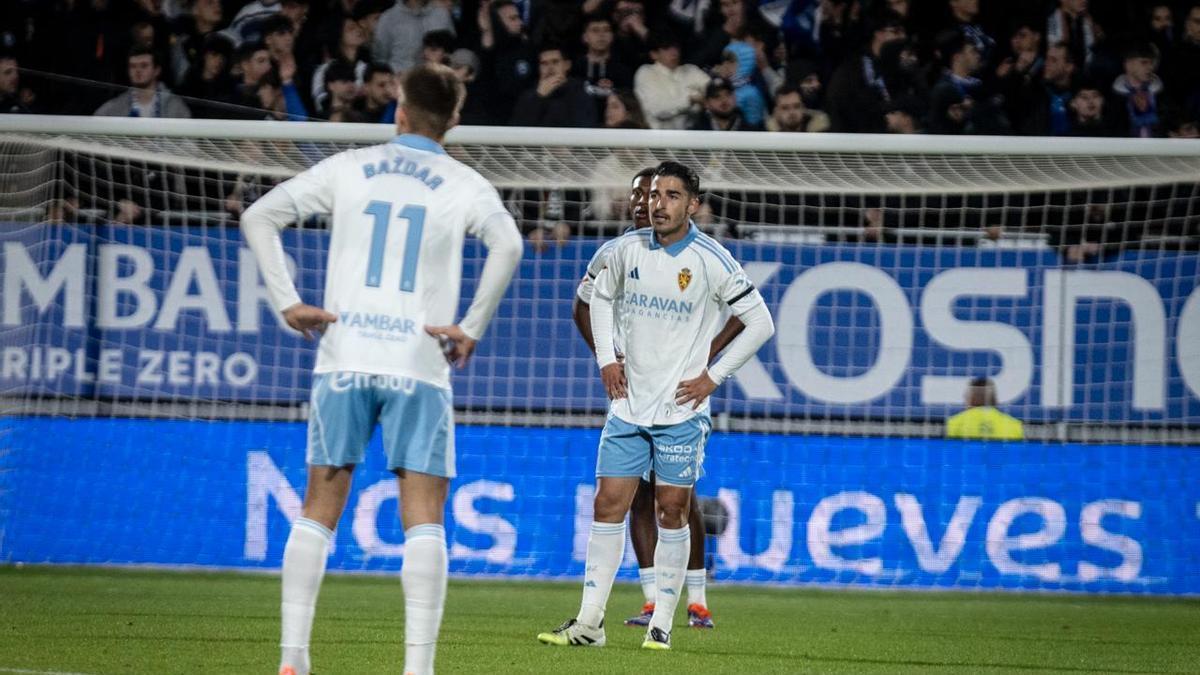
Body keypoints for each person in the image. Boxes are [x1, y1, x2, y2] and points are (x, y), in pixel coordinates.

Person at [240, 63, 523, 675]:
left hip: (344, 357)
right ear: (454, 119)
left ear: (399, 109)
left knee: (319, 505)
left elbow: (257, 216)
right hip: (418, 363)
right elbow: (509, 245)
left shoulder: (348, 166)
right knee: (423, 518)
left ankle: (293, 659)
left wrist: (287, 300)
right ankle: (417, 669)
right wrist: (471, 326)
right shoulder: (465, 182)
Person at [538, 161, 774, 651]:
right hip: (628, 406)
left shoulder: (712, 259)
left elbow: (761, 322)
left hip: (680, 412)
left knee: (672, 510)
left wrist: (713, 377)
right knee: (608, 504)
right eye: (654, 195)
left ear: (693, 205)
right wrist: (607, 360)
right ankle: (589, 622)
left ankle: (662, 622)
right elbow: (598, 300)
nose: (657, 203)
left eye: (671, 195)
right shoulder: (625, 249)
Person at [572, 168, 746, 630]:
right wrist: (608, 357)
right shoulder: (616, 253)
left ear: (688, 203)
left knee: (679, 501)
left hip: (679, 395)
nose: (644, 202)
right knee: (633, 497)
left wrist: (709, 356)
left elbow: (749, 315)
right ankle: (651, 599)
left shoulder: (702, 257)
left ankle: (696, 600)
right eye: (641, 195)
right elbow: (585, 305)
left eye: (659, 194)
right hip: (632, 389)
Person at [510, 44, 597, 127]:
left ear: (567, 65)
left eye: (555, 62)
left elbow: (584, 125)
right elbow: (518, 128)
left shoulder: (580, 92)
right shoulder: (527, 96)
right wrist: (538, 97)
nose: (550, 68)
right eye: (544, 63)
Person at [94, 46, 192, 118]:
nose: (138, 70)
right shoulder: (115, 106)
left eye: (144, 65)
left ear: (157, 70)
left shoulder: (175, 106)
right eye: (133, 66)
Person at [945, 377, 1023, 441]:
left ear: (971, 397)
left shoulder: (954, 423)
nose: (964, 398)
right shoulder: (1014, 425)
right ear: (994, 398)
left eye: (966, 396)